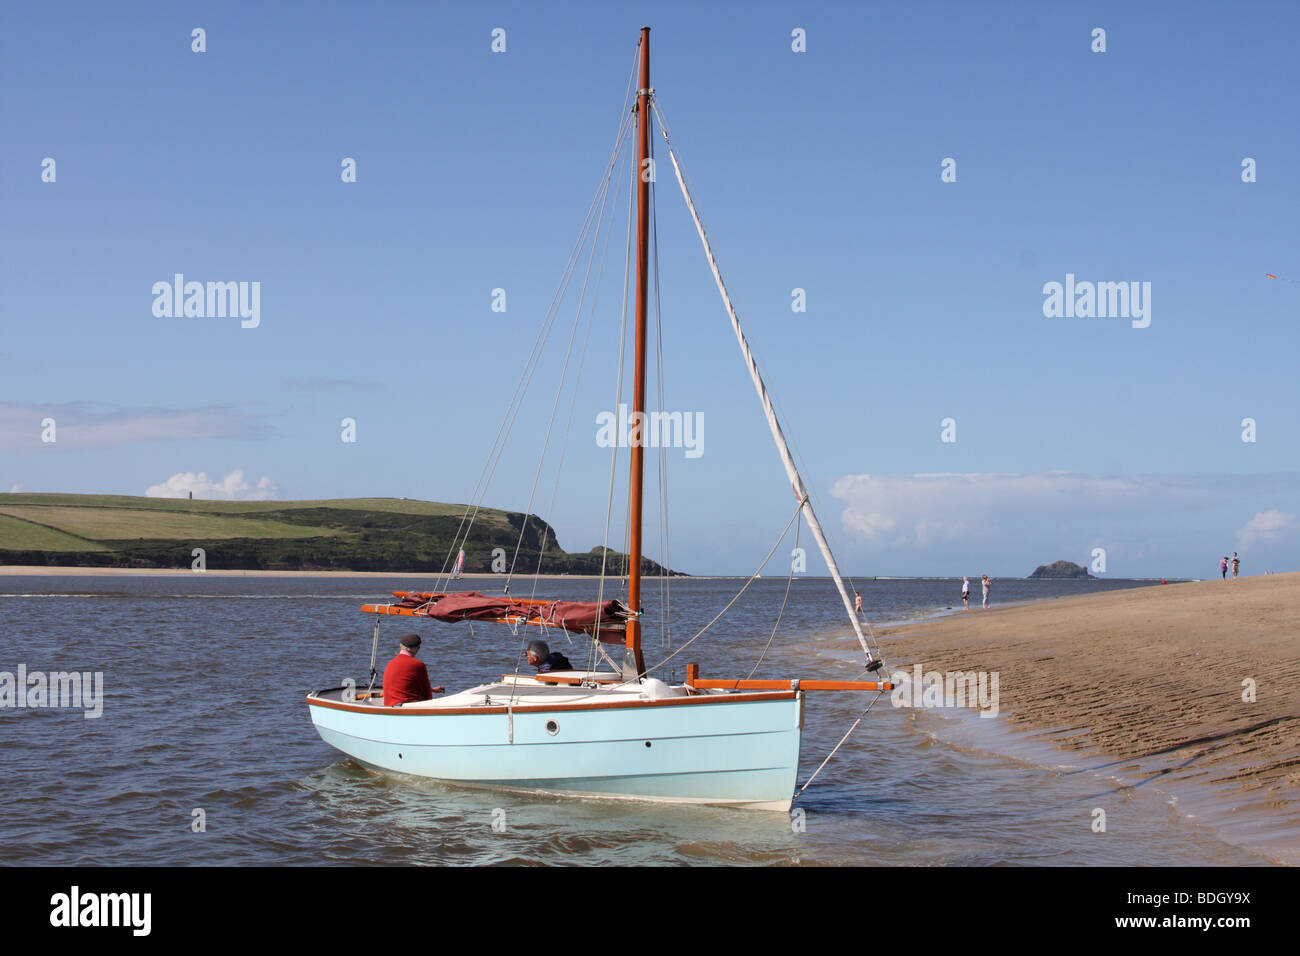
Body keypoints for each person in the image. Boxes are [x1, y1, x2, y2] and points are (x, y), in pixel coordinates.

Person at [382, 633, 445, 707]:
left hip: (389, 706)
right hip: (407, 708)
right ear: (417, 649)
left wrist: (432, 690)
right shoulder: (418, 665)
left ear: (400, 646)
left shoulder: (390, 663)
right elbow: (427, 696)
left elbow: (402, 686)